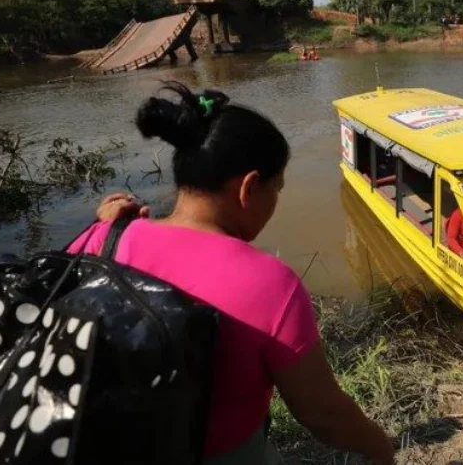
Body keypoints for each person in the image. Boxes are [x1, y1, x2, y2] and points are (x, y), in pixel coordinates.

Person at [72, 83, 394, 465]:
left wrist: (101, 226)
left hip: (100, 449)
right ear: (248, 188)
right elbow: (321, 414)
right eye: (276, 189)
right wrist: (381, 449)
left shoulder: (103, 236)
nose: (275, 202)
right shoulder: (269, 283)